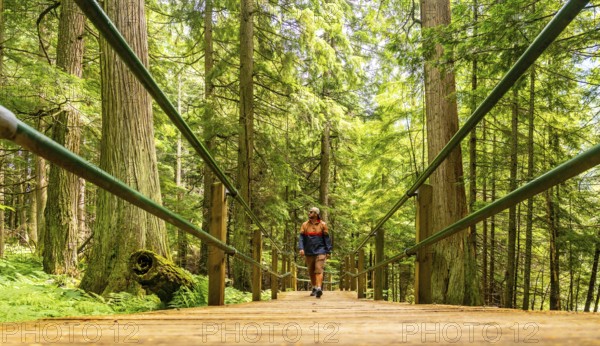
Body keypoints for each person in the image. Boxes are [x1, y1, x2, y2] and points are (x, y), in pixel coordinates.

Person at [298, 207, 332, 298]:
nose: (309, 213)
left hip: (321, 250)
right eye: (309, 212)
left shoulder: (323, 225)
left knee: (318, 269)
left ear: (316, 214)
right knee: (311, 271)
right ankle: (314, 287)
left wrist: (328, 250)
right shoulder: (304, 225)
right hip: (309, 251)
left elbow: (326, 238)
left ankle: (319, 288)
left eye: (311, 212)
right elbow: (301, 238)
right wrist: (301, 248)